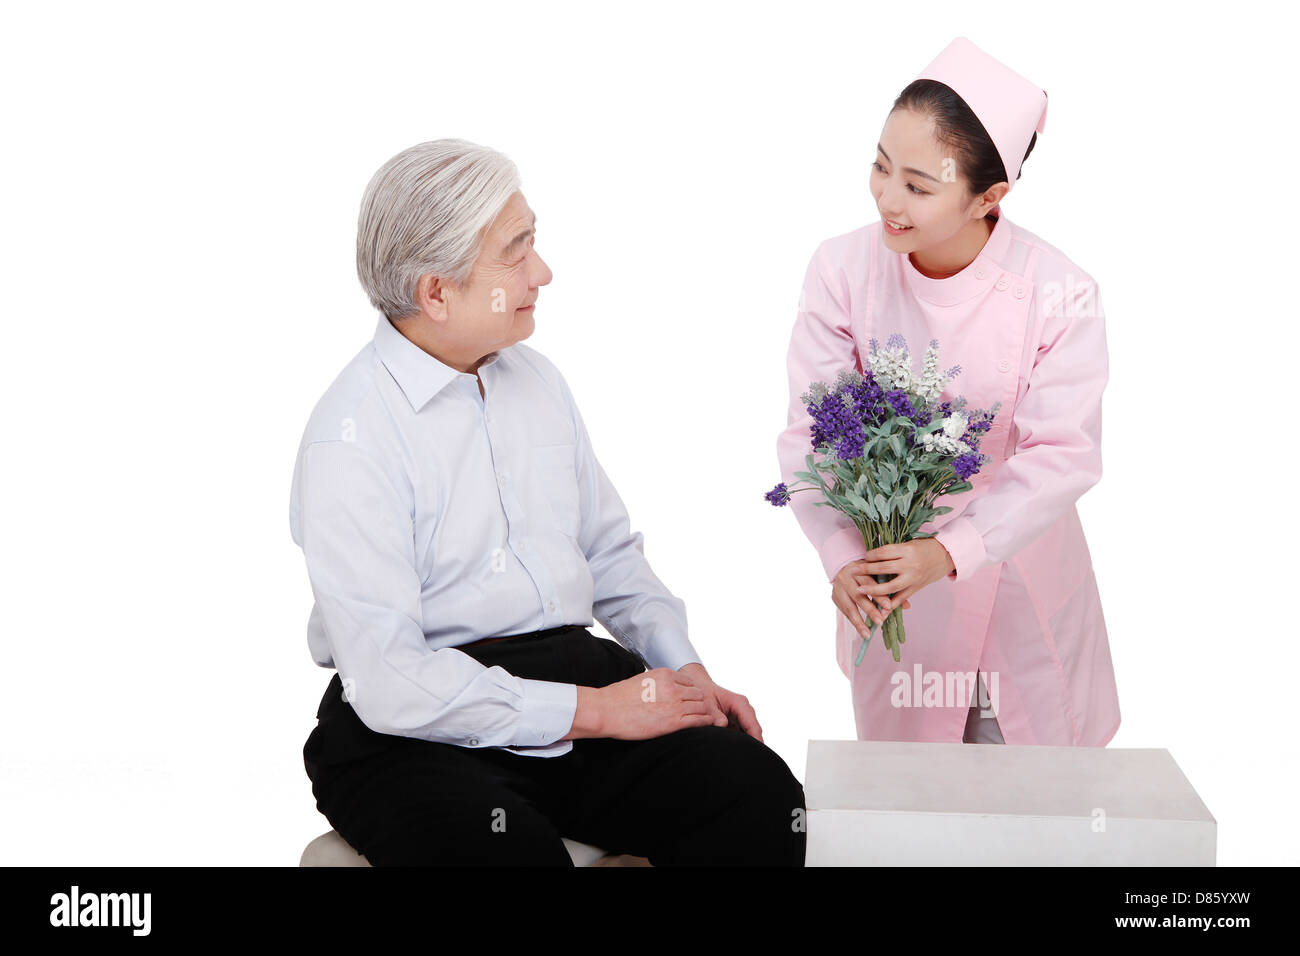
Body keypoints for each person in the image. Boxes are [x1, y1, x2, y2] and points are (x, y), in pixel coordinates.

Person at [290, 139, 805, 866]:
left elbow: (607, 553)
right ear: (436, 292)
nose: (543, 272)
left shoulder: (536, 381)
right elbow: (390, 678)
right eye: (517, 251)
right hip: (407, 722)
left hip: (567, 673)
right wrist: (598, 713)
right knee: (508, 853)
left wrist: (682, 671)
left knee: (757, 796)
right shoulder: (350, 439)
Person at [775, 37, 1120, 747]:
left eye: (919, 186)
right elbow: (813, 432)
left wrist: (949, 551)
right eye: (879, 166)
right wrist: (842, 557)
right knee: (909, 804)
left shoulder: (1059, 292)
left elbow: (1061, 456)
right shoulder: (842, 268)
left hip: (1019, 576)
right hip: (888, 577)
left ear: (989, 197)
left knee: (1025, 808)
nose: (887, 201)